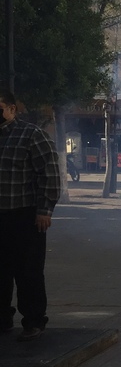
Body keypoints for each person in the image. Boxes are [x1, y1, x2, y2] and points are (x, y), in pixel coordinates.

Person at [0, 90, 61, 341]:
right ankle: (2, 320)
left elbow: (50, 173)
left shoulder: (31, 135)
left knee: (28, 272)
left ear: (12, 109)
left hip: (24, 216)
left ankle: (33, 321)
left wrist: (45, 210)